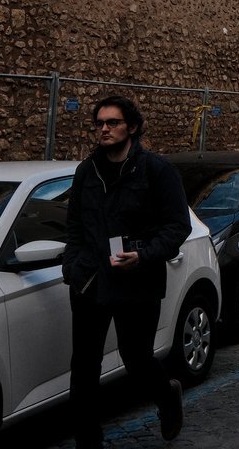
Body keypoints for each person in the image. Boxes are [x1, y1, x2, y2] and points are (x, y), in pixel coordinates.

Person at [63, 95, 191, 448]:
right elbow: (73, 226)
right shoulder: (86, 171)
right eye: (100, 123)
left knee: (136, 360)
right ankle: (89, 441)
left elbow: (177, 227)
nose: (104, 129)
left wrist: (143, 255)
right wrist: (72, 267)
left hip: (138, 281)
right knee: (85, 368)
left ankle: (166, 395)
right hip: (90, 280)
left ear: (131, 127)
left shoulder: (156, 170)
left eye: (113, 123)